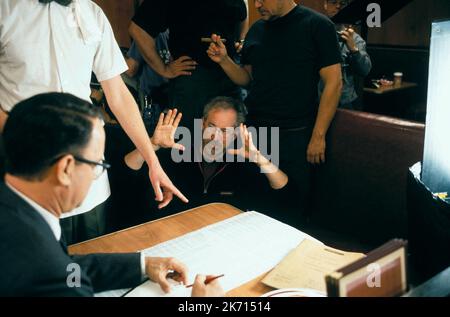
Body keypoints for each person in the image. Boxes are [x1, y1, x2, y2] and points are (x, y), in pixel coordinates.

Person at [0, 92, 223, 297]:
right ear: (66, 168)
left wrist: (143, 265)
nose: (97, 175)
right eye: (97, 164)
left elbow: (69, 269)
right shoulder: (44, 269)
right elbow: (60, 273)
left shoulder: (17, 208)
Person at [0, 0, 187, 242]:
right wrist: (23, 138)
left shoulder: (93, 13)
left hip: (88, 180)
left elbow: (118, 94)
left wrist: (153, 162)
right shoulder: (5, 9)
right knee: (36, 265)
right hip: (25, 173)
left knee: (88, 261)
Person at [207, 0, 343, 226]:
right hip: (256, 133)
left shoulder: (318, 25)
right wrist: (224, 60)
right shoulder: (256, 30)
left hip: (296, 134)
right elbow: (248, 80)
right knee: (254, 209)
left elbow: (334, 83)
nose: (257, 4)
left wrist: (318, 136)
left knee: (292, 212)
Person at [125, 97, 292, 222]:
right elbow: (126, 171)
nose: (216, 137)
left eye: (225, 131)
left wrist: (260, 159)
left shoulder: (243, 163)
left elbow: (287, 196)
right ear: (202, 124)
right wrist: (153, 144)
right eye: (212, 127)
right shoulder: (177, 151)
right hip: (174, 235)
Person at [129, 0, 249, 131]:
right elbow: (138, 30)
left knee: (233, 141)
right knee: (189, 142)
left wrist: (241, 40)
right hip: (193, 80)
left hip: (231, 74)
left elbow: (242, 14)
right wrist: (164, 69)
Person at [321, 0, 372, 109]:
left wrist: (353, 49)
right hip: (315, 100)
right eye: (334, 2)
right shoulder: (315, 33)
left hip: (343, 101)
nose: (338, 6)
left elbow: (365, 70)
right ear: (325, 4)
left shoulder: (355, 39)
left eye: (342, 4)